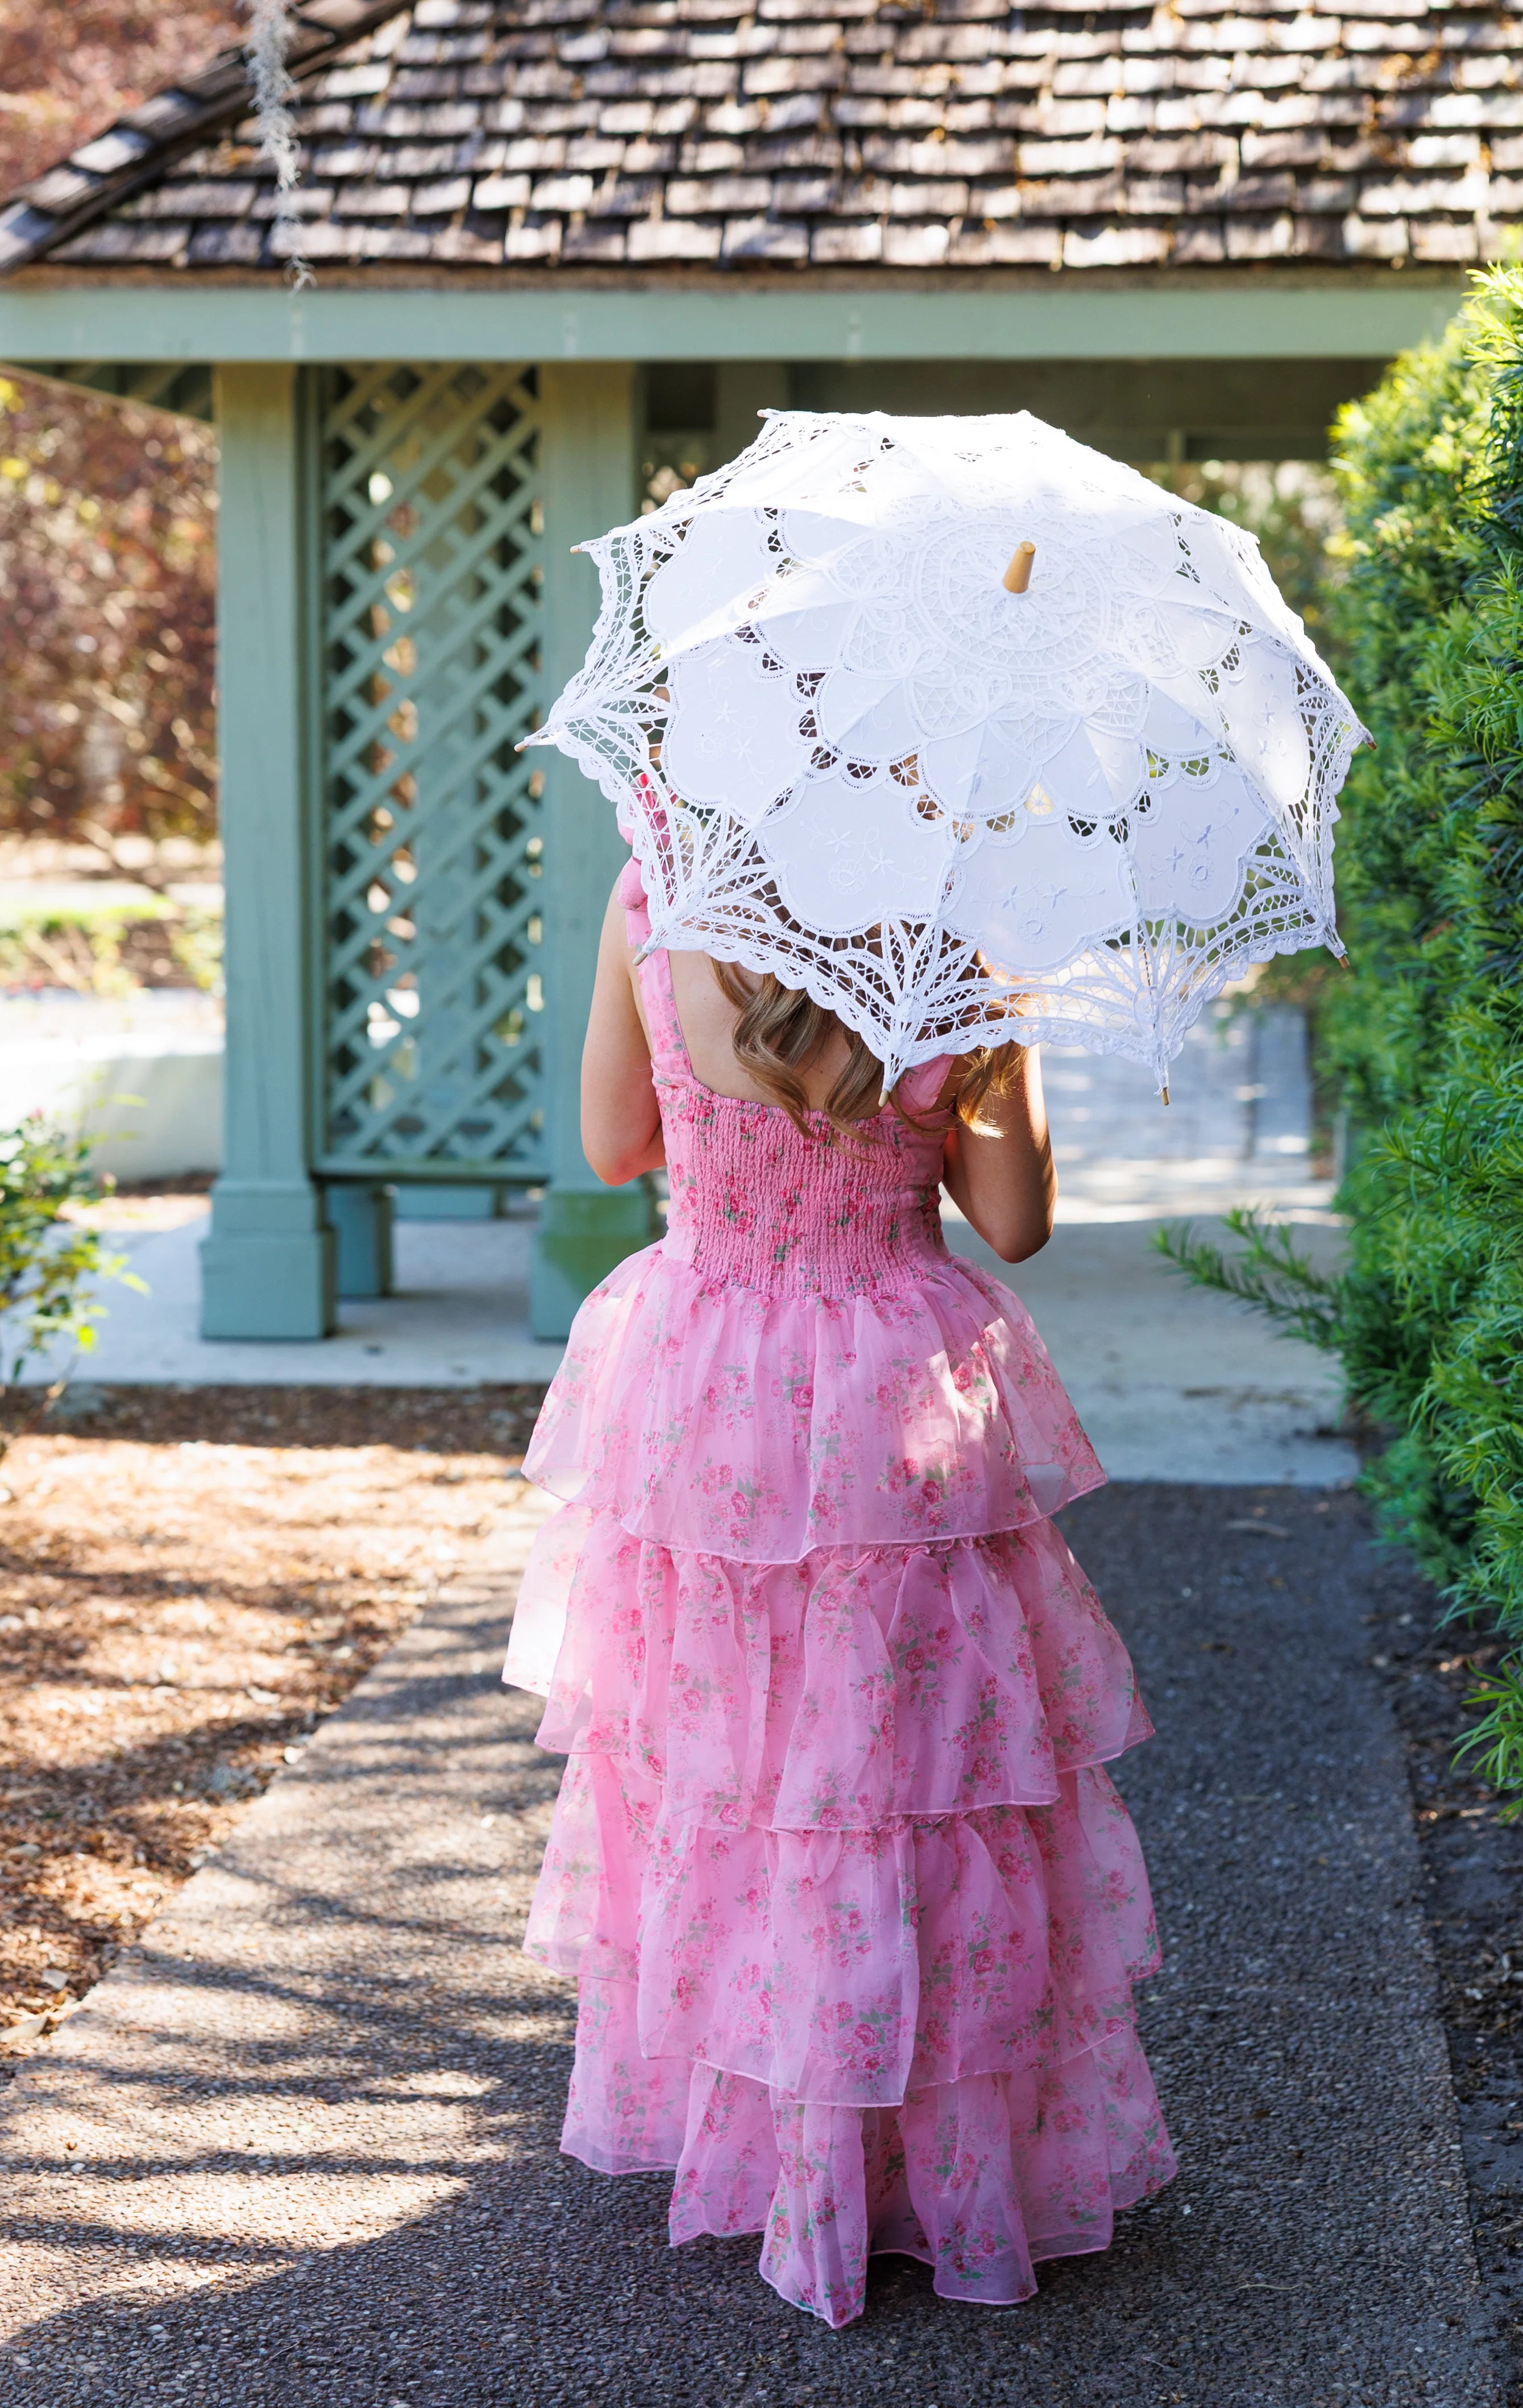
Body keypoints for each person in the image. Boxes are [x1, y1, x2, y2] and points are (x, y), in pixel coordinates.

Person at [503, 854, 1176, 2328]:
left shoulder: (653, 899)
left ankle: (769, 2143)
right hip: (895, 1389)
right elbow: (1014, 1221)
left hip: (710, 1379)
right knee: (908, 1772)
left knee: (737, 1765)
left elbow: (611, 1143)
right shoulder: (965, 921)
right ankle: (923, 2164)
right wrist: (1004, 1028)